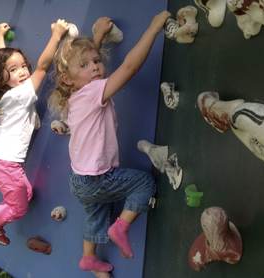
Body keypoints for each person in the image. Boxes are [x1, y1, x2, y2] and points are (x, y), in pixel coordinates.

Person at [48, 11, 171, 277]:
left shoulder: (74, 98)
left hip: (80, 180)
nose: (95, 66)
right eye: (86, 65)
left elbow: (83, 68)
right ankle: (121, 227)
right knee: (144, 183)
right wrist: (152, 29)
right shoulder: (93, 91)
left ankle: (89, 258)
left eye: (97, 61)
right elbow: (128, 68)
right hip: (99, 178)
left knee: (96, 215)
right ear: (68, 79)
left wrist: (98, 37)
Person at [0, 20, 69, 252]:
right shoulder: (19, 95)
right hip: (6, 164)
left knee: (24, 194)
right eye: (15, 69)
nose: (23, 71)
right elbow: (42, 67)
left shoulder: (4, 94)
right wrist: (56, 35)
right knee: (18, 208)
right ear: (3, 77)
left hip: (1, 162)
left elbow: (1, 62)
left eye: (23, 65)